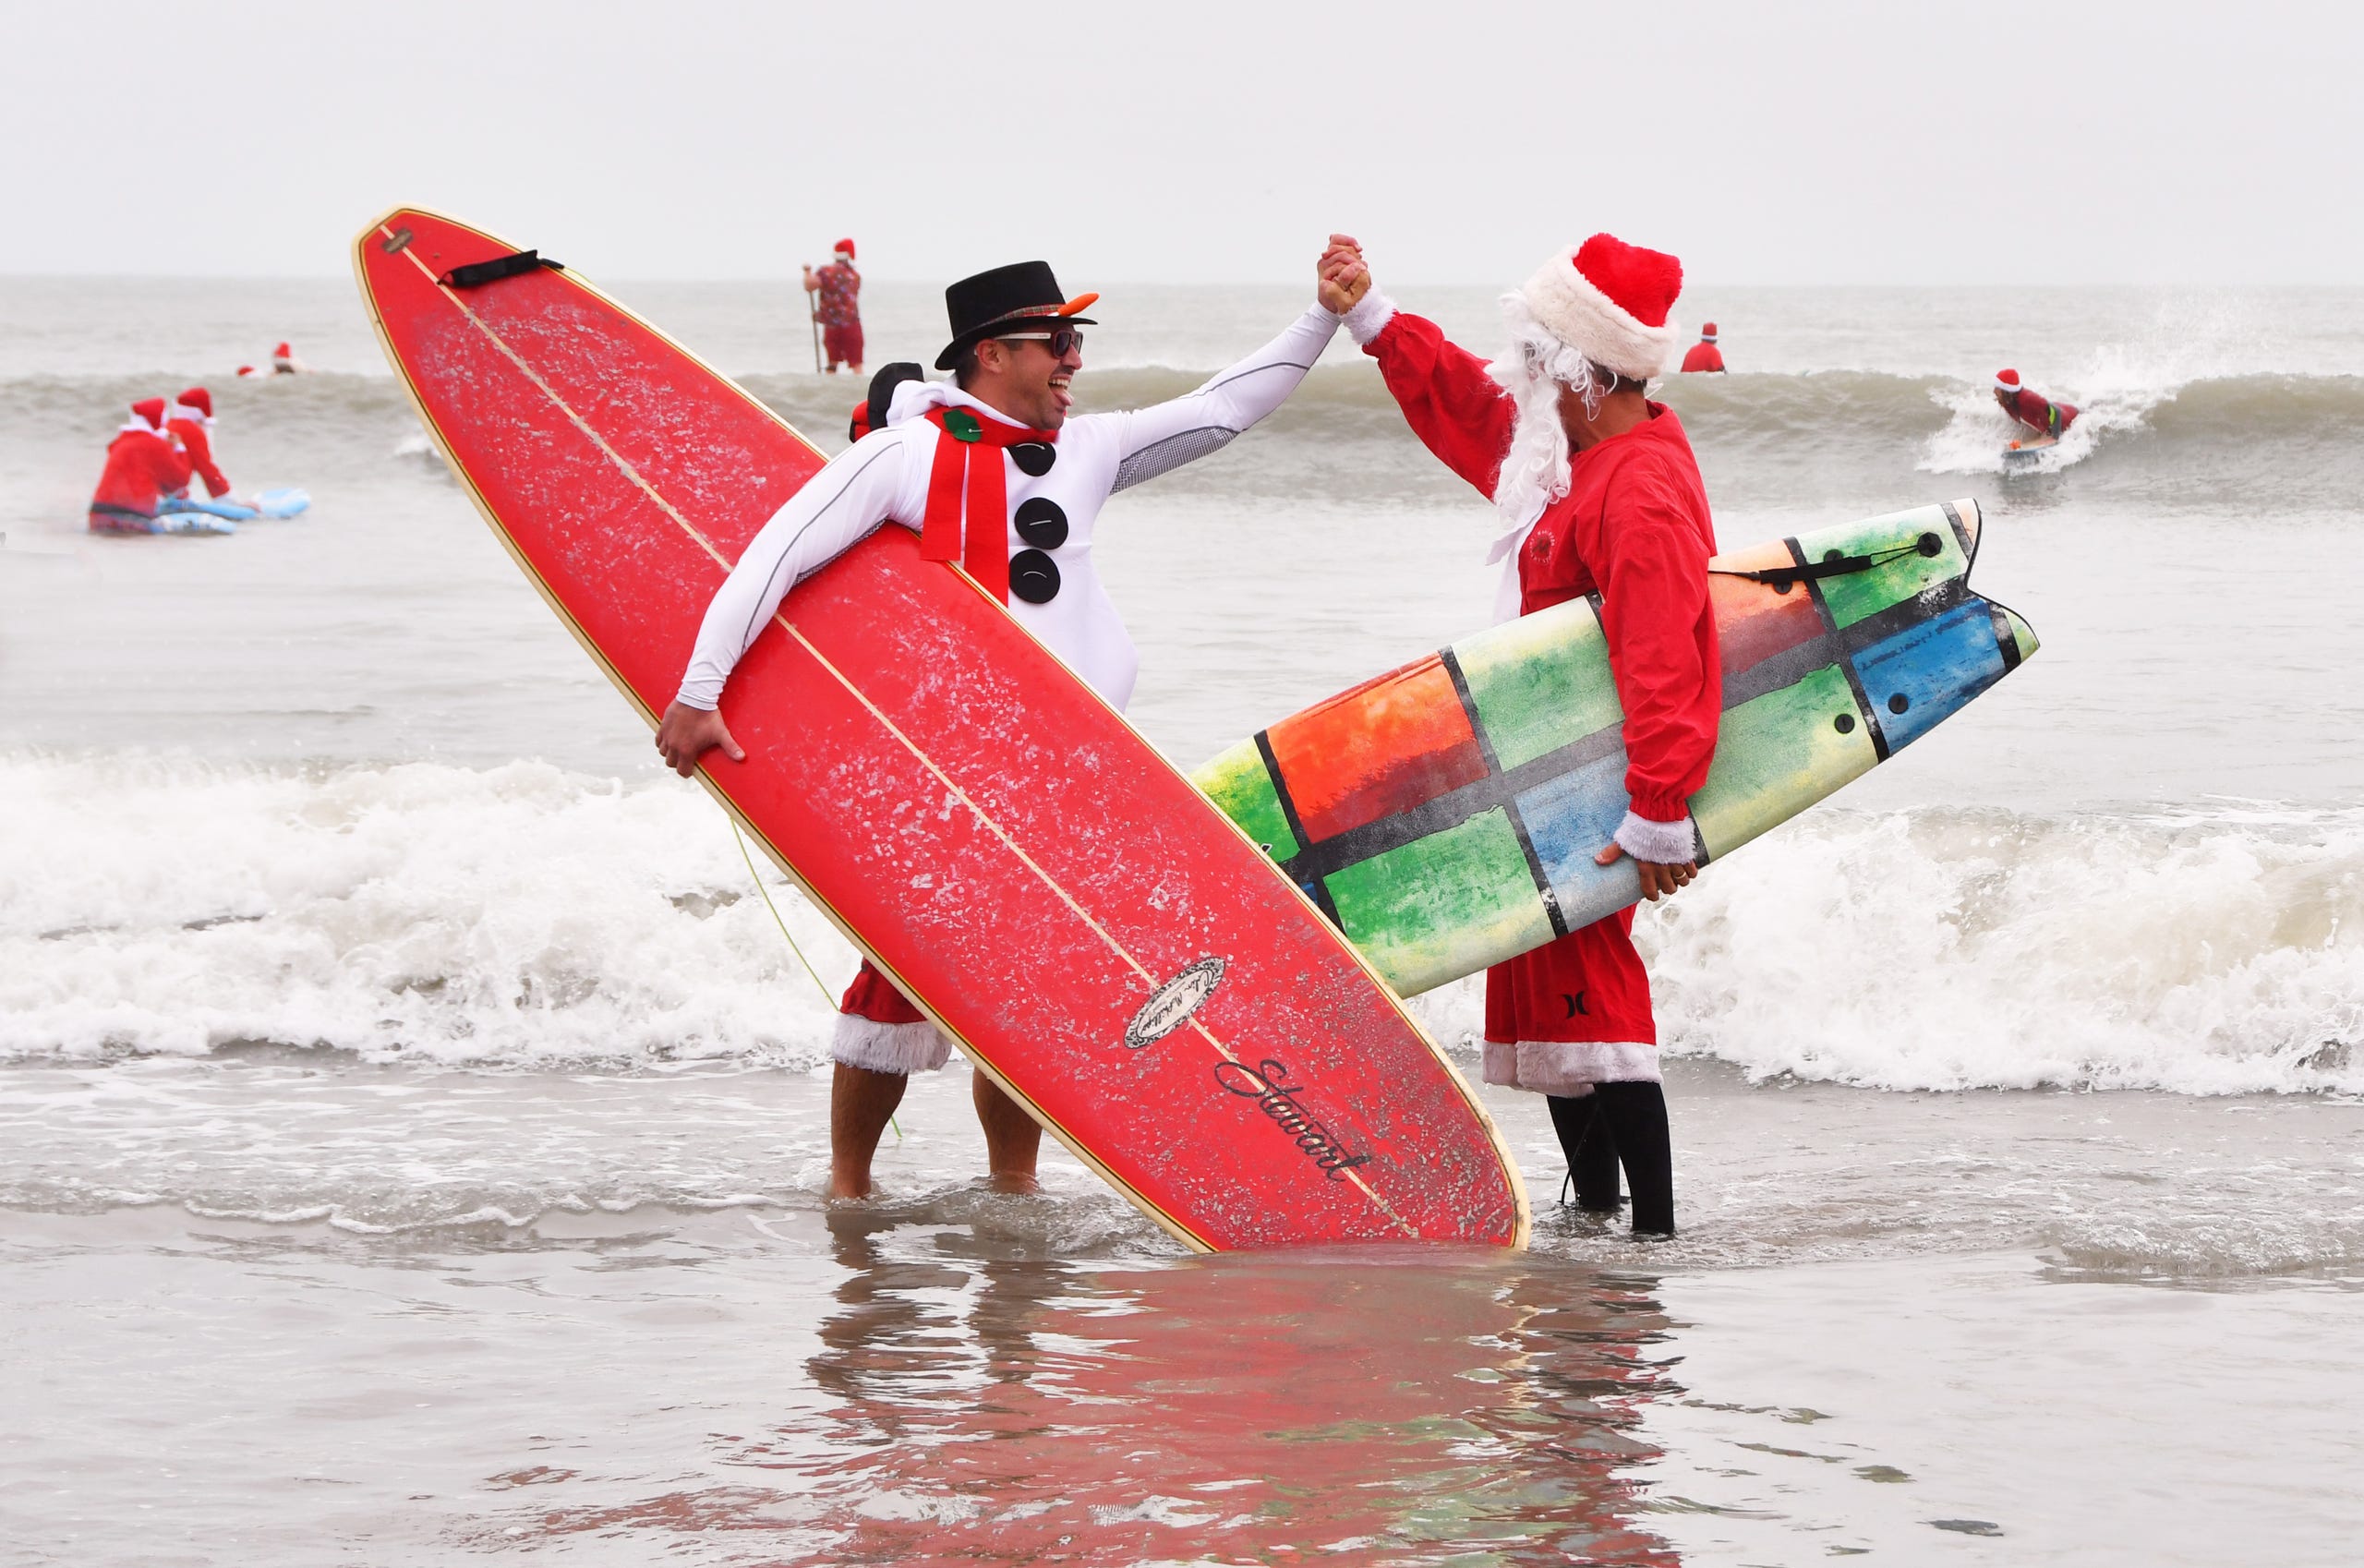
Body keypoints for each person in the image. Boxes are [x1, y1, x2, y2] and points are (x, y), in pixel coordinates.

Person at [655, 247, 1358, 1199]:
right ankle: (849, 1186)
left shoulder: (1088, 448)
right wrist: (702, 693)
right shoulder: (905, 453)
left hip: (1077, 773)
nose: (1073, 359)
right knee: (896, 977)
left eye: (1076, 341)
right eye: (1055, 341)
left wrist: (1321, 317)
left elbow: (1224, 406)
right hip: (951, 775)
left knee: (1031, 985)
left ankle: (1012, 1188)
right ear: (992, 354)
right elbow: (775, 556)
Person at [1319, 232, 1719, 1236]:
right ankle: (1596, 1220)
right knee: (1548, 993)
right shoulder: (1571, 453)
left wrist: (1660, 806)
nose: (1522, 376)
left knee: (1598, 994)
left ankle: (1655, 1244)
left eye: (1538, 357)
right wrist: (1375, 319)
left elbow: (1664, 651)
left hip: (1601, 788)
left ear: (1584, 369)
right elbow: (1475, 408)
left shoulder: (1636, 488)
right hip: (1540, 782)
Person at [88, 398, 195, 534]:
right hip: (133, 516)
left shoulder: (119, 442)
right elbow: (181, 480)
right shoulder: (156, 444)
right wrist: (179, 447)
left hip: (99, 513)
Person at [163, 387, 235, 502]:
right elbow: (206, 469)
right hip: (170, 496)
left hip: (158, 492)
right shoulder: (192, 430)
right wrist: (229, 498)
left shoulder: (169, 425)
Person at [803, 239, 864, 375]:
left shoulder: (826, 272)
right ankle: (862, 391)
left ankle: (829, 383)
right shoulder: (855, 276)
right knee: (856, 364)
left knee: (832, 363)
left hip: (832, 324)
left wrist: (807, 273)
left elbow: (810, 286)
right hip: (851, 323)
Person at [1994, 368, 2076, 438]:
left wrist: (2054, 437)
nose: (1994, 391)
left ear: (2006, 391)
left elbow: (2056, 410)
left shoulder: (2026, 398)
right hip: (2059, 417)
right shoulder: (2008, 402)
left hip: (2072, 418)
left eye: (1997, 388)